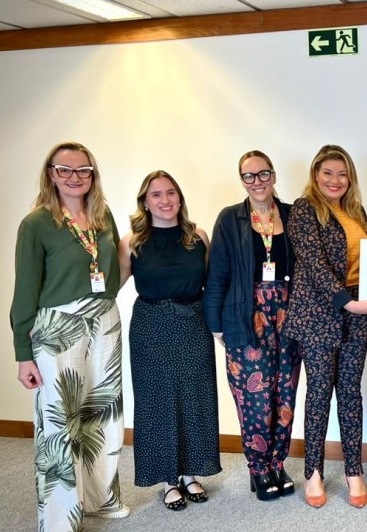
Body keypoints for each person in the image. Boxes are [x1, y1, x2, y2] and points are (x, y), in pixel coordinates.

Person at [11, 141, 129, 529]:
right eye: (65, 170)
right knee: (59, 423)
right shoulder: (36, 224)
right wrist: (23, 352)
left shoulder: (103, 216)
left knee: (102, 414)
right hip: (57, 329)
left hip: (104, 321)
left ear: (93, 175)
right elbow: (25, 291)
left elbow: (111, 276)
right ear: (51, 174)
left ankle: (101, 499)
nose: (75, 178)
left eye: (83, 170)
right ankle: (61, 517)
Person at [286, 144, 367, 509]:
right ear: (316, 175)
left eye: (342, 174)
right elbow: (312, 262)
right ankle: (313, 471)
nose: (335, 180)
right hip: (319, 314)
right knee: (318, 394)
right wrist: (345, 301)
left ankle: (354, 470)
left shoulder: (356, 211)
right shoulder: (304, 209)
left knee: (350, 392)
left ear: (350, 178)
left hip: (357, 312)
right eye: (328, 172)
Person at [118, 170, 221, 511]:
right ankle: (167, 479)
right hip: (151, 327)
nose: (165, 200)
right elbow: (109, 289)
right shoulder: (131, 243)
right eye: (156, 194)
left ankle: (192, 472)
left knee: (196, 398)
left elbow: (213, 285)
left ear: (180, 197)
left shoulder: (198, 237)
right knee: (157, 402)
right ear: (145, 203)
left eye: (171, 192)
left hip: (193, 324)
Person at [204, 150, 299, 501]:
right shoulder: (230, 219)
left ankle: (277, 462)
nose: (257, 182)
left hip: (289, 317)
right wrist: (217, 326)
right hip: (246, 317)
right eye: (249, 176)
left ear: (273, 176)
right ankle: (258, 469)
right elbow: (217, 276)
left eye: (263, 174)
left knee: (284, 395)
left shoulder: (291, 214)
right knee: (254, 399)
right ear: (241, 180)